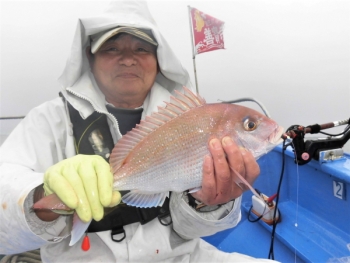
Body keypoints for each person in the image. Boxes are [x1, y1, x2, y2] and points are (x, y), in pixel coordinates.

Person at [0, 1, 277, 262]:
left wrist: (207, 204)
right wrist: (38, 197)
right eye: (112, 48)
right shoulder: (48, 119)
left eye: (141, 49)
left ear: (159, 59)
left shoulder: (187, 115)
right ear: (90, 57)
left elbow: (193, 232)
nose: (128, 59)